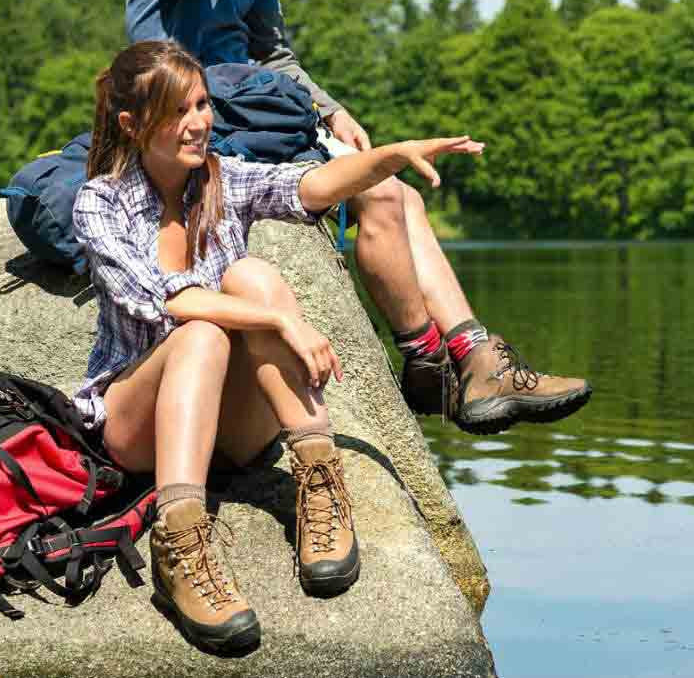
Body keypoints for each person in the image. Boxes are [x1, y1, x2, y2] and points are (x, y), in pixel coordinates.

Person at [126, 0, 591, 434]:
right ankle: (431, 360)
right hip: (185, 117)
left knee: (397, 192)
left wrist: (329, 110)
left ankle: (472, 354)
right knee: (378, 193)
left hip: (249, 112)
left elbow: (274, 53)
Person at [72, 39, 484, 651]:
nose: (199, 123)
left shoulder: (221, 179)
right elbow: (169, 300)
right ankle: (180, 540)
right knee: (205, 330)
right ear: (132, 124)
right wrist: (280, 323)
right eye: (176, 109)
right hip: (143, 432)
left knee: (252, 276)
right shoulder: (99, 203)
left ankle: (319, 477)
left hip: (232, 433)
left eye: (203, 104)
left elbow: (312, 186)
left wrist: (391, 157)